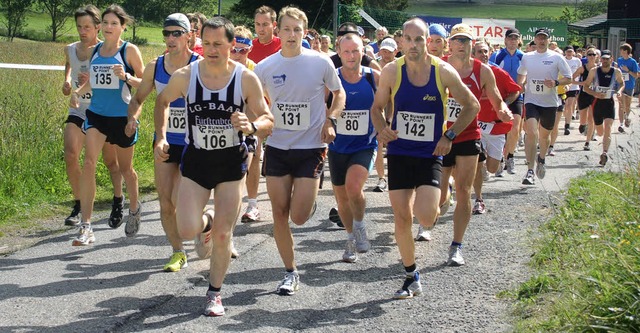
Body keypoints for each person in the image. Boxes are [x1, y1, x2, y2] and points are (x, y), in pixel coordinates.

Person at [154, 17, 274, 316]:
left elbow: (269, 120)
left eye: (219, 44)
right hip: (197, 161)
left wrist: (252, 124)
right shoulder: (186, 76)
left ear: (232, 45)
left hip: (231, 163)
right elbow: (162, 101)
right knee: (186, 228)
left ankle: (214, 294)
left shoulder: (246, 79)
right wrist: (161, 137)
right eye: (206, 43)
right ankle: (206, 221)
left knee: (224, 234)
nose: (211, 49)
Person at [371, 18, 479, 299]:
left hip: (430, 153)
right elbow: (377, 108)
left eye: (419, 39)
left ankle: (446, 193)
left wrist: (450, 136)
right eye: (408, 39)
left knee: (426, 216)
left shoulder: (442, 71)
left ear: (428, 41)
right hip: (399, 153)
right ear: (402, 41)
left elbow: (472, 105)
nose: (414, 45)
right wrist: (382, 129)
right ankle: (410, 274)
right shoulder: (391, 71)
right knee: (402, 216)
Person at [254, 6, 345, 296]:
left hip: (311, 148)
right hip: (278, 147)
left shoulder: (320, 62)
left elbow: (338, 92)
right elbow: (255, 101)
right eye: (286, 29)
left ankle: (309, 200)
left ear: (304, 33)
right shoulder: (265, 67)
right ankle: (290, 272)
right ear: (277, 32)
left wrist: (331, 119)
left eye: (297, 30)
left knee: (299, 216)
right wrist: (261, 119)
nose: (291, 35)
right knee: (279, 214)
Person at [124, 13, 199, 272]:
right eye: (166, 33)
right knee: (166, 201)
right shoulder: (156, 66)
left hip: (196, 143)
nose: (170, 38)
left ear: (189, 35)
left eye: (176, 33)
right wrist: (133, 118)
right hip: (165, 140)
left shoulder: (200, 64)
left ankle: (206, 228)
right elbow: (138, 98)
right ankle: (178, 252)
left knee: (187, 203)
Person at [70, 4, 144, 245]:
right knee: (89, 162)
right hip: (97, 115)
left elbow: (144, 84)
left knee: (126, 170)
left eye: (115, 23)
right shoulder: (96, 50)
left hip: (122, 117)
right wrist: (79, 92)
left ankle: (134, 208)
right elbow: (93, 80)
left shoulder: (129, 50)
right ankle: (87, 225)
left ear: (123, 27)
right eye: (106, 23)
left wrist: (126, 77)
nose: (109, 27)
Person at [437, 24, 511, 264]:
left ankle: (456, 246)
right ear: (450, 44)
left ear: (472, 44)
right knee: (439, 196)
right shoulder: (440, 66)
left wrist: (503, 110)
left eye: (466, 41)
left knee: (464, 191)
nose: (461, 45)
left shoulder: (482, 70)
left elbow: (496, 98)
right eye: (457, 40)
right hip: (440, 136)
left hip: (468, 135)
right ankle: (439, 200)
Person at [61, 5, 123, 227]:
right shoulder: (70, 48)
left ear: (98, 27)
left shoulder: (104, 50)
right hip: (78, 108)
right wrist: (68, 81)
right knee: (71, 154)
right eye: (79, 26)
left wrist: (92, 80)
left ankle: (118, 199)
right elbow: (69, 64)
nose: (82, 31)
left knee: (110, 162)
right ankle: (79, 204)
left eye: (87, 26)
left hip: (100, 109)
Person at [330, 33, 379, 263]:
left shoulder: (373, 78)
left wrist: (384, 126)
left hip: (364, 144)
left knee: (353, 188)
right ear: (339, 53)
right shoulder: (331, 79)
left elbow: (390, 103)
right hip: (337, 147)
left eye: (355, 51)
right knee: (341, 199)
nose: (351, 56)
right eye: (346, 51)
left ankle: (359, 225)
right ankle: (350, 238)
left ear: (363, 52)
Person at [241, 6, 283, 224]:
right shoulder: (249, 47)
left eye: (265, 24)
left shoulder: (282, 45)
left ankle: (300, 191)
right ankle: (253, 204)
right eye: (257, 24)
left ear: (274, 26)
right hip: (255, 110)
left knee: (283, 156)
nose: (261, 29)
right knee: (255, 153)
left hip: (280, 108)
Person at [516, 28, 572, 185]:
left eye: (544, 38)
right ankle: (529, 171)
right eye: (539, 38)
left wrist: (555, 83)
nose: (541, 40)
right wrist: (520, 83)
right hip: (531, 101)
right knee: (532, 133)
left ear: (548, 40)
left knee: (544, 137)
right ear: (535, 40)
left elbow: (569, 78)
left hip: (549, 103)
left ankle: (541, 158)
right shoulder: (527, 57)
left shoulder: (557, 57)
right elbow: (521, 73)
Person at [471, 40, 518, 213]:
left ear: (490, 52)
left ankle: (494, 160)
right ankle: (478, 199)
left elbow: (515, 90)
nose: (483, 54)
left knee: (491, 168)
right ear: (472, 54)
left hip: (495, 127)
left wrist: (503, 105)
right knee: (476, 162)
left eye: (485, 51)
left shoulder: (498, 73)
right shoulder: (468, 73)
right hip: (475, 125)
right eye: (479, 52)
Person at [581, 50, 624, 166]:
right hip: (597, 103)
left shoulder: (616, 71)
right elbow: (585, 86)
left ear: (611, 59)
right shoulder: (594, 71)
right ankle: (600, 136)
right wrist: (594, 94)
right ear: (600, 59)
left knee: (608, 128)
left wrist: (619, 91)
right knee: (600, 132)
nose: (605, 61)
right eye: (603, 59)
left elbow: (621, 83)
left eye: (607, 59)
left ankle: (604, 153)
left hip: (609, 103)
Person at [493, 28, 524, 175]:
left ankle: (510, 157)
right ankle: (499, 158)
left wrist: (518, 92)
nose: (512, 41)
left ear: (519, 41)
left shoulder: (523, 57)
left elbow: (526, 78)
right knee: (500, 130)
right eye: (510, 38)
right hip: (500, 98)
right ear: (505, 40)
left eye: (515, 38)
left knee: (515, 127)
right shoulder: (497, 55)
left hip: (518, 96)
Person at [572, 46, 598, 150]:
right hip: (584, 95)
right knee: (583, 119)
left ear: (596, 56)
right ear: (586, 56)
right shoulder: (582, 68)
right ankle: (583, 125)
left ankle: (587, 142)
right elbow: (571, 79)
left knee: (591, 118)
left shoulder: (599, 69)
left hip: (594, 95)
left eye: (593, 54)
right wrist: (581, 83)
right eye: (589, 54)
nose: (592, 56)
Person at [616, 43, 638, 133]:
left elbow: (636, 75)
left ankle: (626, 117)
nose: (620, 52)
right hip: (621, 86)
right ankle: (621, 124)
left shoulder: (633, 62)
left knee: (627, 106)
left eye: (621, 50)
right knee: (621, 105)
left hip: (629, 85)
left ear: (625, 51)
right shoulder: (619, 60)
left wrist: (627, 70)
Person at [560, 46, 582, 137]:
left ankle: (567, 125)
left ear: (573, 52)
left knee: (569, 105)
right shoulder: (561, 60)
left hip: (573, 86)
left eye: (571, 51)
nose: (569, 53)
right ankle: (565, 119)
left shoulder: (577, 61)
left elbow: (580, 71)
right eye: (567, 51)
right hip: (562, 86)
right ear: (565, 52)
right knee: (564, 106)